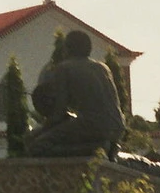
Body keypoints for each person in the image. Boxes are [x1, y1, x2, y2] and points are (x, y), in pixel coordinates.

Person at [24, 30, 124, 159]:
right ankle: (105, 146)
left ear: (68, 48)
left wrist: (38, 131)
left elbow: (59, 114)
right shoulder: (103, 68)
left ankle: (95, 149)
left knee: (36, 147)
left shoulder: (64, 68)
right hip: (118, 127)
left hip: (94, 125)